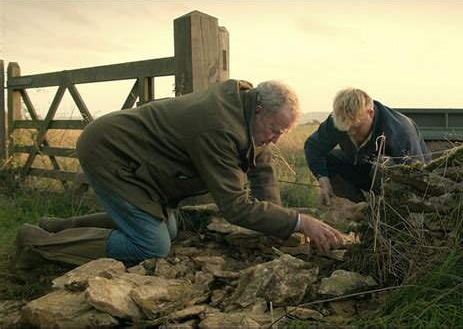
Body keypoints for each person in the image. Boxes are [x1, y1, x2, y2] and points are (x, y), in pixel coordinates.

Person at [12, 79, 344, 275]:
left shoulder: (248, 113)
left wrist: (278, 226)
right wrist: (300, 222)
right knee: (151, 245)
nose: (274, 139)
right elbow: (234, 205)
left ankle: (55, 225)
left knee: (167, 227)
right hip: (112, 153)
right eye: (274, 129)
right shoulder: (219, 127)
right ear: (259, 110)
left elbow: (263, 167)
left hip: (143, 163)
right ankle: (38, 244)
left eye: (281, 133)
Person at [304, 87, 431, 208]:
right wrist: (323, 180)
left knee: (383, 163)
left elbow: (418, 176)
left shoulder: (400, 132)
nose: (351, 132)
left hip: (392, 178)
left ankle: (386, 214)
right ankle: (357, 211)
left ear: (370, 113)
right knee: (329, 159)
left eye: (356, 126)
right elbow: (313, 146)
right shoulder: (339, 121)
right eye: (346, 129)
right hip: (361, 168)